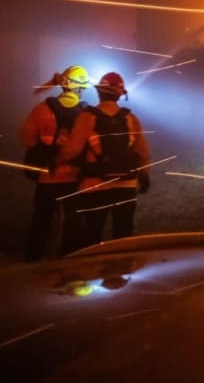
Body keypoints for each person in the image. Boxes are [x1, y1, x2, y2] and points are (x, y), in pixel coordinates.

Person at [58, 72, 150, 254]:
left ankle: (93, 268)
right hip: (127, 184)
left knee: (93, 232)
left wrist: (62, 148)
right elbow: (142, 151)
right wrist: (145, 175)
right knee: (124, 232)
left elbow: (71, 151)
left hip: (95, 184)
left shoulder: (87, 117)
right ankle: (124, 266)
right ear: (120, 95)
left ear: (99, 93)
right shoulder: (130, 118)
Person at [19, 65, 91, 261]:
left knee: (41, 221)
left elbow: (27, 139)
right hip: (74, 179)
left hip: (47, 178)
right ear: (80, 88)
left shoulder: (42, 109)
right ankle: (67, 262)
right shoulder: (86, 114)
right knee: (73, 223)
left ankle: (32, 261)